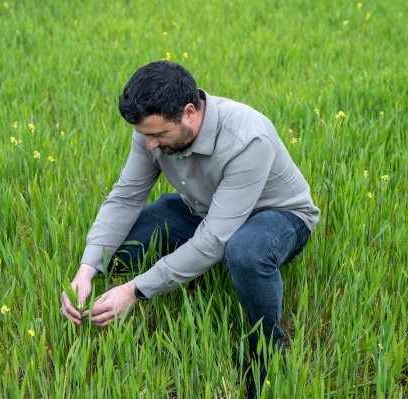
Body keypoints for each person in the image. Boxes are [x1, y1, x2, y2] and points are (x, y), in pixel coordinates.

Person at [61, 61, 319, 395]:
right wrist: (86, 269)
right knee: (116, 255)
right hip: (200, 207)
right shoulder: (151, 132)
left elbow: (214, 240)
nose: (150, 144)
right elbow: (125, 198)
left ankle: (268, 350)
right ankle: (182, 267)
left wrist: (136, 290)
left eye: (157, 135)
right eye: (144, 135)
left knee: (242, 251)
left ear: (189, 112)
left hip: (276, 216)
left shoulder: (247, 138)